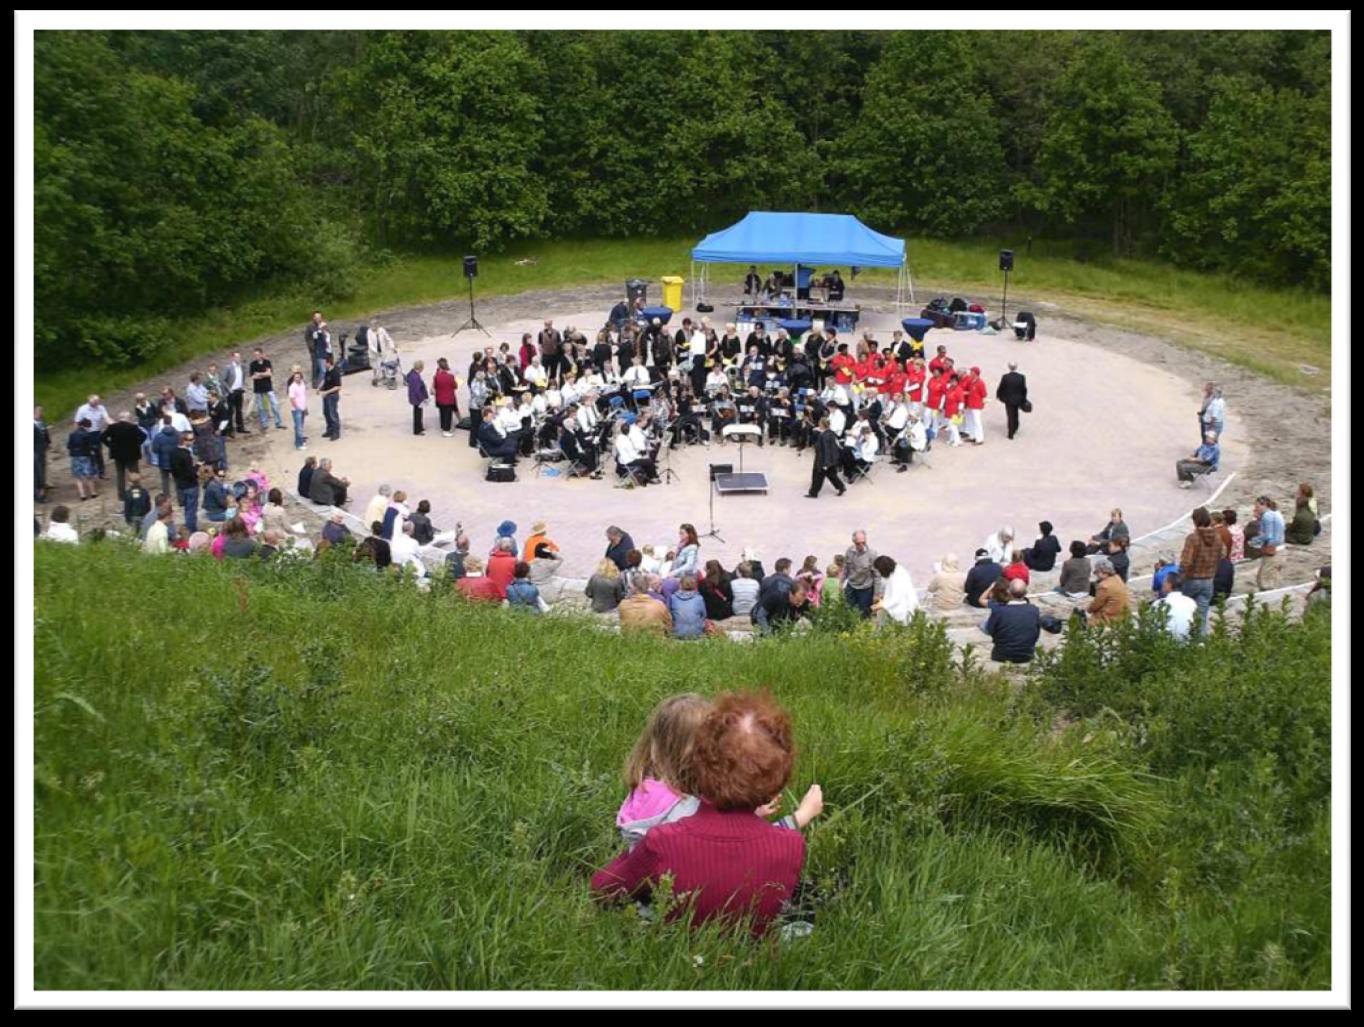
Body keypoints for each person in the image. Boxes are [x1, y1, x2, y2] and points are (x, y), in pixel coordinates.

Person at [591, 691, 808, 938]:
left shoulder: (662, 841)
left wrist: (629, 857)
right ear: (779, 781)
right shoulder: (792, 844)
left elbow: (603, 888)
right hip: (752, 961)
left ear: (696, 764)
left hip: (675, 953)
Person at [1177, 506, 1223, 635]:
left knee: (1184, 612)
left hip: (1192, 579)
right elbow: (1223, 554)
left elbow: (1186, 561)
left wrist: (1180, 577)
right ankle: (1201, 643)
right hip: (1208, 580)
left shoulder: (1193, 538)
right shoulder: (1218, 538)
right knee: (1202, 616)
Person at [983, 578, 1042, 663]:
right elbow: (1036, 632)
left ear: (1008, 592)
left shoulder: (999, 611)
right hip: (1026, 655)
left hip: (1002, 655)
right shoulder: (1034, 610)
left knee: (984, 624)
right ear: (1025, 593)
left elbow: (989, 630)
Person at [100, 411, 145, 501]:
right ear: (127, 418)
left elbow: (102, 437)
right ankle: (137, 492)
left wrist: (110, 446)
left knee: (120, 475)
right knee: (134, 473)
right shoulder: (133, 427)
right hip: (132, 454)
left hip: (118, 455)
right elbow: (143, 436)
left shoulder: (112, 427)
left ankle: (121, 496)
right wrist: (137, 444)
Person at [1245, 495, 1286, 591]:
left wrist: (1253, 541)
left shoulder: (1267, 516)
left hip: (1273, 552)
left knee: (1265, 582)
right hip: (1280, 550)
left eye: (1257, 506)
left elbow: (1268, 536)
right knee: (1268, 578)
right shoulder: (1277, 513)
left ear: (1264, 505)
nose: (1256, 509)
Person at [870, 555, 918, 625]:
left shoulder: (897, 577)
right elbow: (887, 587)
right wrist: (881, 597)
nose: (879, 573)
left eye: (879, 571)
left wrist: (881, 605)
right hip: (901, 603)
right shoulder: (895, 571)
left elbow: (896, 597)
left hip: (904, 606)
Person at [840, 531, 878, 619]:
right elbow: (846, 568)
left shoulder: (872, 554)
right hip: (851, 586)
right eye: (858, 543)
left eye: (863, 543)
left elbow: (877, 575)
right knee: (848, 612)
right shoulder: (849, 551)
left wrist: (876, 593)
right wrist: (841, 582)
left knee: (864, 615)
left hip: (866, 589)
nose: (861, 546)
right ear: (853, 542)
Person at [805, 417, 847, 498]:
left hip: (822, 460)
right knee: (831, 475)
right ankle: (841, 487)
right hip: (829, 460)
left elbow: (827, 451)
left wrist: (826, 464)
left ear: (822, 425)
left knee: (817, 476)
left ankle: (813, 493)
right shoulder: (830, 433)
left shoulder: (824, 436)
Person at [1085, 557, 1132, 626]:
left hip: (1111, 617)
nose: (1096, 575)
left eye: (1097, 572)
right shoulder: (1117, 578)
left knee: (1088, 621)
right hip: (1123, 614)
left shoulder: (1104, 586)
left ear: (1102, 571)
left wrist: (1088, 609)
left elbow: (1096, 604)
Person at [1154, 571, 1199, 642]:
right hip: (1186, 641)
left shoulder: (1159, 603)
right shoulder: (1191, 602)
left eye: (1164, 582)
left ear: (1169, 585)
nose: (1163, 584)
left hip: (1164, 643)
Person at [168, 432, 200, 533]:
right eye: (190, 440)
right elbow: (190, 473)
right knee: (191, 510)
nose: (192, 442)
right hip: (190, 485)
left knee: (186, 508)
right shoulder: (186, 455)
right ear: (184, 441)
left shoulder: (173, 452)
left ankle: (188, 527)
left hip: (180, 484)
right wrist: (197, 467)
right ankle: (191, 530)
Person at [248, 348, 285, 431]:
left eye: (257, 354)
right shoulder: (253, 364)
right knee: (261, 407)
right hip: (258, 388)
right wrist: (263, 374)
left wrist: (259, 374)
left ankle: (278, 422)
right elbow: (252, 376)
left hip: (268, 387)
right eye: (255, 355)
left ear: (261, 354)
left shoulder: (267, 362)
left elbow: (269, 374)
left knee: (275, 404)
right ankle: (264, 424)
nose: (256, 356)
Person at [66, 418, 102, 500]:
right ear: (86, 426)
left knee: (78, 476)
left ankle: (82, 495)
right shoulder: (87, 435)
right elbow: (90, 446)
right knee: (89, 475)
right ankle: (93, 493)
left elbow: (68, 446)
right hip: (85, 456)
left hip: (75, 456)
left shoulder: (72, 434)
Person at [668, 573, 709, 640]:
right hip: (696, 633)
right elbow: (704, 615)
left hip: (677, 633)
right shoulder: (699, 598)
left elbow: (669, 614)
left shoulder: (673, 598)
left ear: (680, 585)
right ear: (695, 585)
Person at [995, 363, 1028, 440]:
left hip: (1008, 400)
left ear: (1009, 367)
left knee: (1010, 415)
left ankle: (1011, 433)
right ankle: (1015, 426)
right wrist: (1024, 399)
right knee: (1016, 413)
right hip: (1018, 399)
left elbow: (1001, 387)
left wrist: (999, 395)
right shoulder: (1021, 377)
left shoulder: (1005, 377)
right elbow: (1024, 389)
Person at [433, 358, 460, 437]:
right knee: (448, 414)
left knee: (442, 413)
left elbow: (435, 386)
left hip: (440, 397)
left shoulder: (437, 376)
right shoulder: (450, 377)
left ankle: (442, 426)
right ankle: (446, 430)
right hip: (449, 397)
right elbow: (455, 386)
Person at [319, 353, 344, 440]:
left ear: (329, 362)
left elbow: (338, 386)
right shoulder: (328, 371)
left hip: (332, 396)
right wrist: (320, 388)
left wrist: (326, 392)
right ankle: (329, 429)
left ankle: (336, 432)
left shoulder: (335, 372)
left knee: (333, 414)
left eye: (325, 363)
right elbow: (324, 380)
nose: (324, 365)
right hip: (326, 395)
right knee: (326, 412)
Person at [405, 361, 430, 435]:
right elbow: (417, 390)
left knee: (418, 413)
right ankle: (417, 430)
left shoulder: (412, 374)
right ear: (420, 368)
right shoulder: (416, 377)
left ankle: (420, 426)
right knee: (418, 414)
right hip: (417, 399)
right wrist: (422, 399)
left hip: (414, 397)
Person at [287, 369, 309, 451]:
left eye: (298, 377)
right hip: (297, 410)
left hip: (303, 408)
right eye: (295, 377)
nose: (297, 379)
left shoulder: (302, 384)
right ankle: (298, 444)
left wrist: (305, 407)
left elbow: (304, 396)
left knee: (300, 426)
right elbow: (292, 399)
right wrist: (297, 408)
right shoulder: (292, 387)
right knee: (298, 427)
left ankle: (300, 440)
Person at [34, 407, 52, 502]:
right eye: (39, 411)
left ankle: (42, 485)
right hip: (35, 452)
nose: (41, 413)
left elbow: (45, 434)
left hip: (41, 450)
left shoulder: (41, 422)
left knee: (42, 469)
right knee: (36, 473)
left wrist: (48, 443)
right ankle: (38, 494)